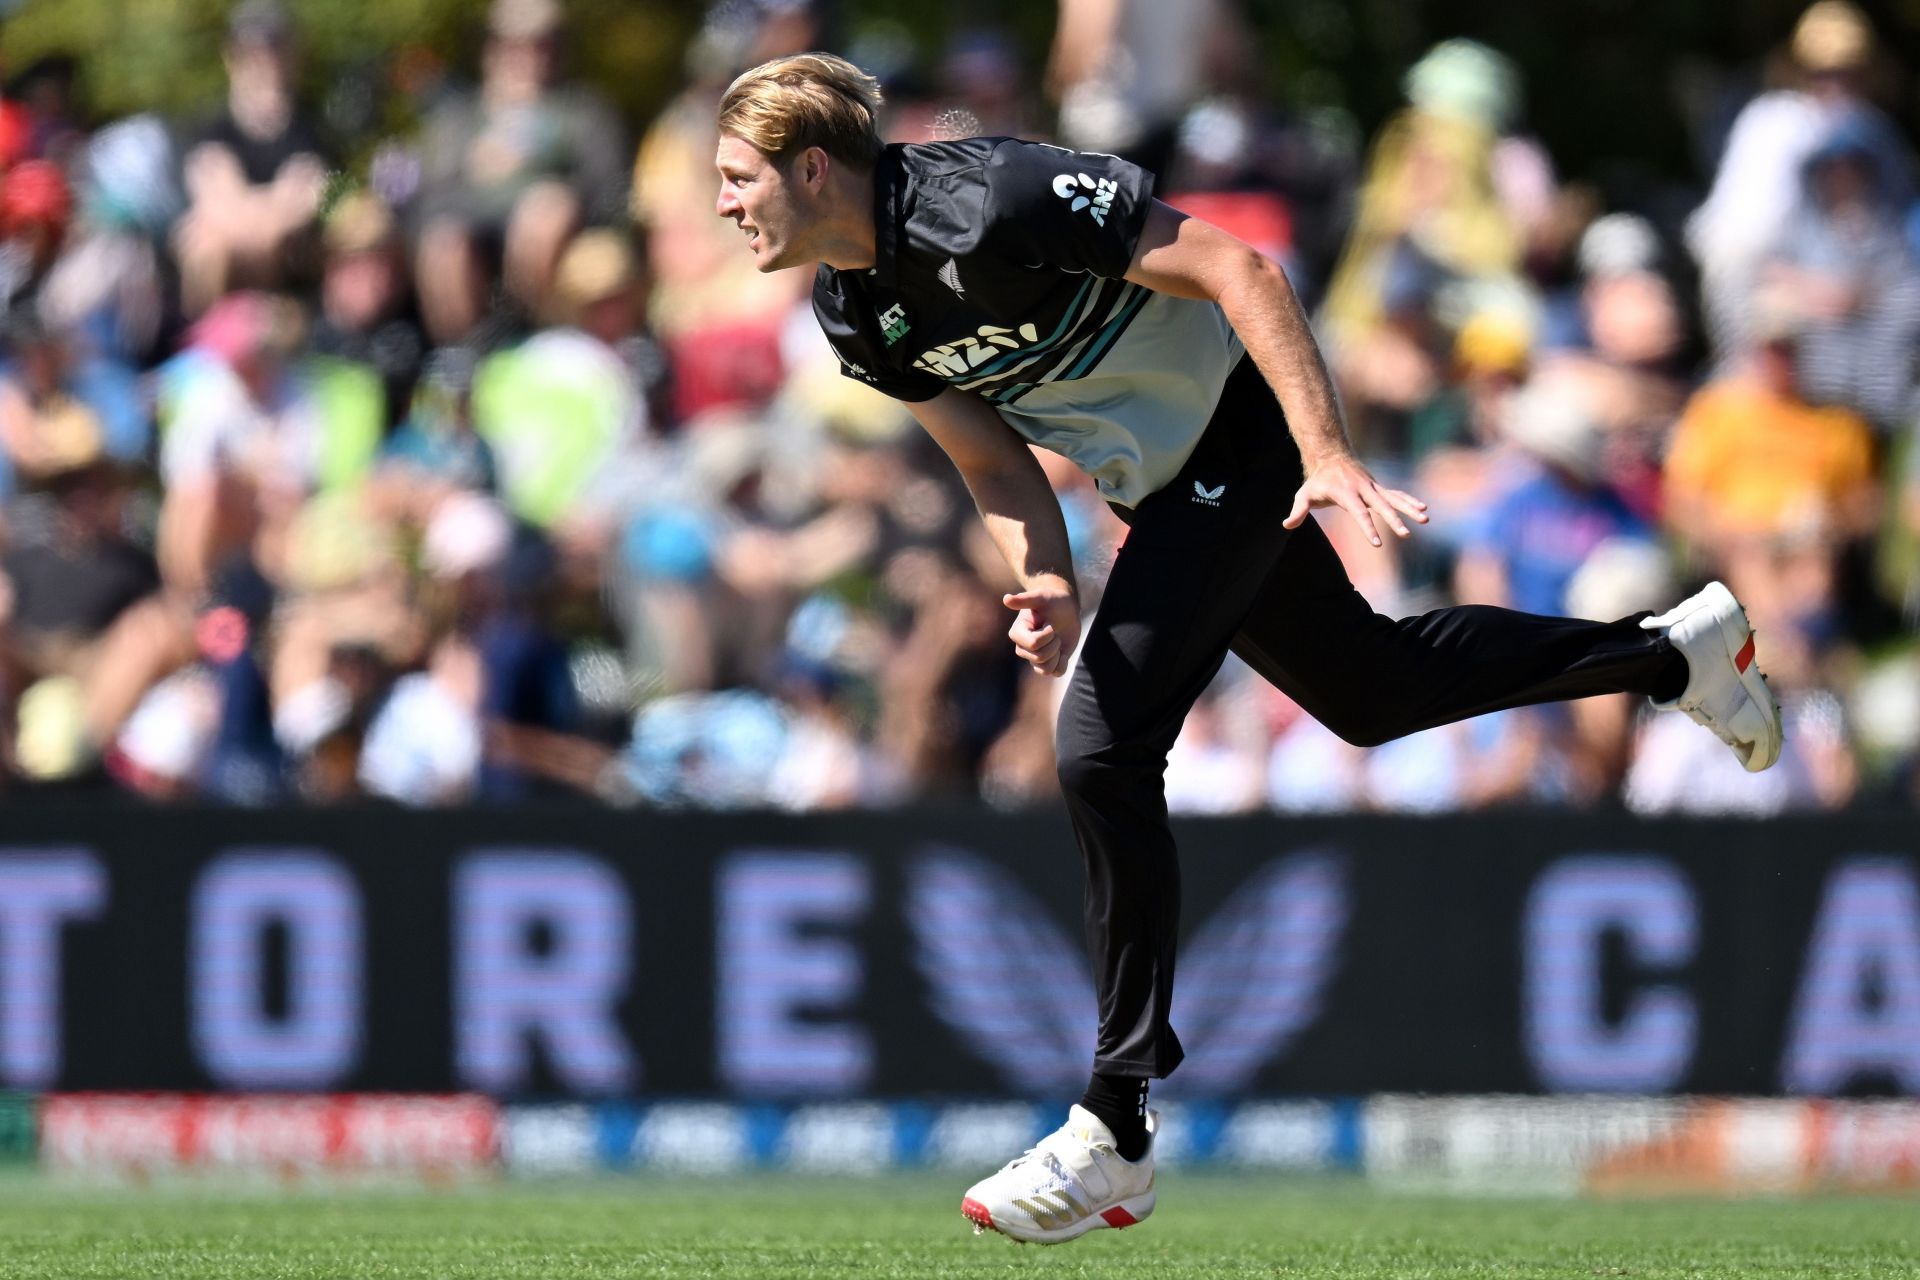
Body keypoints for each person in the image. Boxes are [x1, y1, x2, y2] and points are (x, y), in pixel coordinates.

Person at [712, 53, 1784, 1245]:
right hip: (1160, 491)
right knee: (1376, 692)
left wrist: (1322, 450)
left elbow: (1238, 267)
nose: (722, 203)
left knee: (1099, 746)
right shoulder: (853, 308)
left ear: (813, 167)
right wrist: (1048, 578)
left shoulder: (990, 193)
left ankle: (1113, 1122)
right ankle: (1674, 653)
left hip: (1244, 434)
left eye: (737, 176)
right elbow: (989, 458)